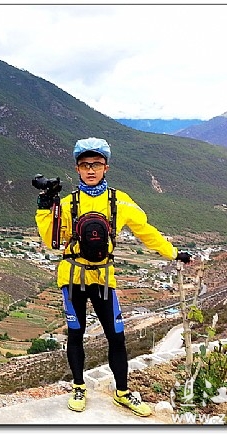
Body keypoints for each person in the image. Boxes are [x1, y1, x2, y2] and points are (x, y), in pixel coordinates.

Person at [34, 137, 191, 417]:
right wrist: (45, 207)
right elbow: (51, 240)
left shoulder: (121, 202)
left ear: (106, 167)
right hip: (73, 278)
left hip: (104, 280)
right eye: (85, 165)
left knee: (116, 337)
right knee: (76, 334)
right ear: (77, 169)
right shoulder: (68, 204)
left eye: (96, 164)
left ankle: (122, 392)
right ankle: (78, 387)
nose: (90, 169)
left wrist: (173, 253)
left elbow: (146, 231)